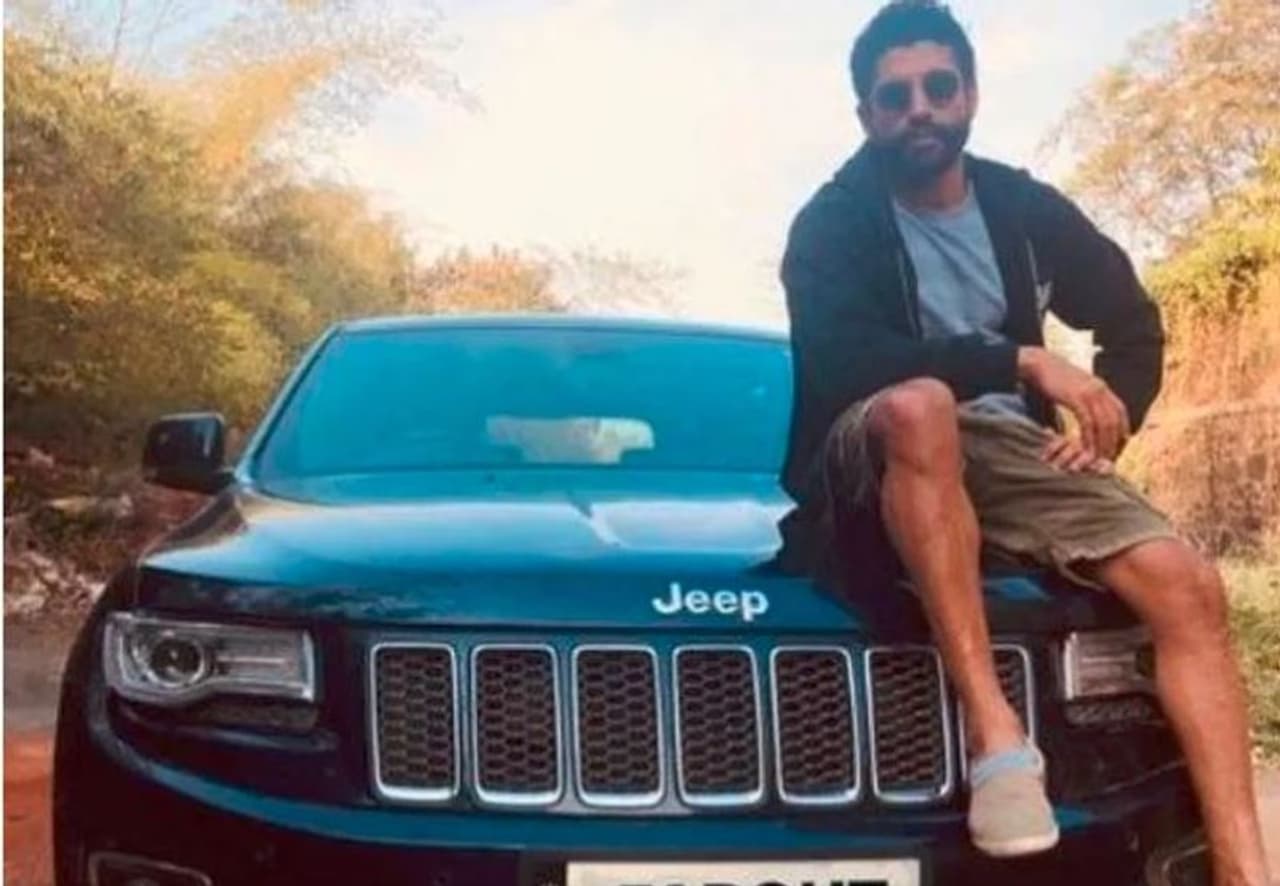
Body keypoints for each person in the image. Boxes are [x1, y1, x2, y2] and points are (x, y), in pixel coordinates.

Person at [775, 1, 1272, 882]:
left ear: (969, 95)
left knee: (1186, 584)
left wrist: (1111, 421)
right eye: (895, 96)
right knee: (922, 406)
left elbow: (1130, 319)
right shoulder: (831, 224)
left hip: (1006, 452)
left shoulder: (1022, 207)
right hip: (871, 451)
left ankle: (1244, 867)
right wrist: (1018, 359)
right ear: (867, 116)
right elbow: (843, 361)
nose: (919, 108)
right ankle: (997, 739)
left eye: (938, 87)